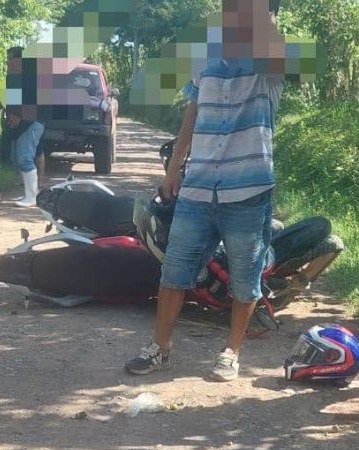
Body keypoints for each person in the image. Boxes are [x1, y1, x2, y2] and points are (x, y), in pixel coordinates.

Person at [124, 0, 286, 382]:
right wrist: (174, 167)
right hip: (197, 187)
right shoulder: (205, 54)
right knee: (174, 270)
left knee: (245, 277)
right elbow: (192, 112)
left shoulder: (270, 59)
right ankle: (160, 348)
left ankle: (231, 352)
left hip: (246, 191)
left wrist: (263, 17)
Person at [0, 47, 47, 206]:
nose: (7, 62)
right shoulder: (14, 78)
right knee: (21, 158)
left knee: (25, 158)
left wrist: (20, 115)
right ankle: (29, 194)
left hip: (32, 123)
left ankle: (32, 196)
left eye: (10, 59)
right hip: (22, 125)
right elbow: (4, 101)